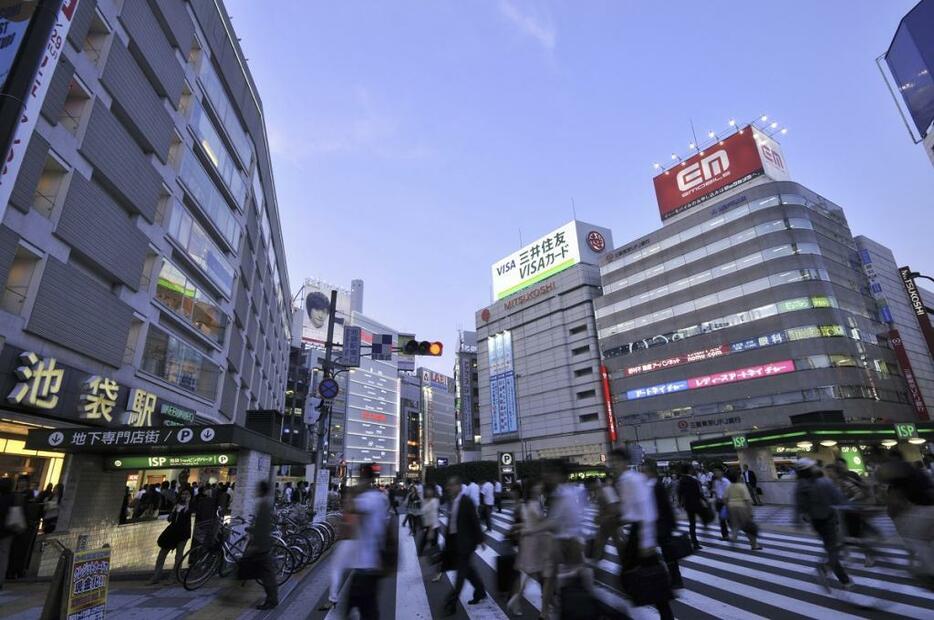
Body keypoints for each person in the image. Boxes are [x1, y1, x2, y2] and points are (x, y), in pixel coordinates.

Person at [612, 449, 672, 620]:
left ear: (624, 462)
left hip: (641, 532)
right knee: (648, 577)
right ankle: (663, 612)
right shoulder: (625, 480)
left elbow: (647, 510)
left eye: (615, 461)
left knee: (631, 576)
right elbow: (630, 511)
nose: (613, 465)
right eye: (612, 461)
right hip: (638, 532)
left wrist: (647, 540)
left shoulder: (632, 479)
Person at [794, 458, 853, 595]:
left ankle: (834, 573)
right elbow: (838, 498)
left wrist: (799, 521)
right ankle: (836, 575)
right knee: (833, 549)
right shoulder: (823, 481)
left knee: (832, 547)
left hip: (817, 522)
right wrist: (850, 507)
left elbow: (799, 507)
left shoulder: (800, 486)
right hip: (829, 518)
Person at [346, 464, 390, 620]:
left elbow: (350, 507)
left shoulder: (369, 498)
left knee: (363, 607)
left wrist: (354, 489)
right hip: (373, 561)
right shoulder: (379, 497)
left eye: (360, 476)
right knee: (368, 607)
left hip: (366, 564)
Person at [441, 475, 486, 615]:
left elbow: (474, 521)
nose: (449, 487)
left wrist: (481, 539)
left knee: (461, 573)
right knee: (468, 571)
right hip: (454, 542)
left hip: (465, 542)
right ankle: (480, 591)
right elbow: (452, 522)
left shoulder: (467, 501)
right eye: (448, 485)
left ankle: (451, 603)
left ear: (459, 487)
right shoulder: (451, 501)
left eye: (452, 485)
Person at [507, 480, 552, 616]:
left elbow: (527, 524)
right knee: (534, 574)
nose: (540, 487)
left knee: (531, 574)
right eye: (538, 486)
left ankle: (545, 605)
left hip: (529, 542)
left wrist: (518, 528)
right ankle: (517, 600)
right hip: (535, 543)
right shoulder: (533, 504)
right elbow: (540, 525)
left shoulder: (526, 504)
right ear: (533, 489)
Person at [645, 464, 683, 591]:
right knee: (663, 554)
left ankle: (675, 580)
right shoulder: (652, 485)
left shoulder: (656, 486)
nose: (642, 473)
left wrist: (672, 523)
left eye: (644, 471)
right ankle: (669, 578)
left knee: (668, 554)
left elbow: (666, 506)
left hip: (662, 525)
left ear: (650, 471)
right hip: (658, 525)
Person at [246, 481, 279, 610]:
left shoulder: (264, 505)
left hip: (262, 546)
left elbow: (262, 527)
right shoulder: (265, 504)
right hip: (263, 545)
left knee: (267, 575)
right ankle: (272, 599)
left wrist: (256, 544)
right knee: (267, 573)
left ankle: (271, 600)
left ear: (261, 490)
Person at [149, 488, 193, 584]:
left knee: (178, 556)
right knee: (162, 553)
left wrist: (188, 502)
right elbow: (170, 519)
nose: (184, 496)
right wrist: (172, 513)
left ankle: (174, 577)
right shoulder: (176, 505)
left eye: (187, 494)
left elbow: (188, 512)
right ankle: (156, 576)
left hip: (183, 533)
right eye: (183, 493)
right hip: (172, 532)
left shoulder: (190, 505)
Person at [724, 471, 762, 550]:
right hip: (742, 508)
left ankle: (733, 538)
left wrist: (728, 507)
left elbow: (725, 499)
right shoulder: (742, 486)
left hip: (731, 508)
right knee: (748, 526)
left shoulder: (728, 487)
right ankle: (754, 545)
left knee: (735, 525)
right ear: (738, 478)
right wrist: (750, 512)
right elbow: (747, 500)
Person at [587, 477, 619, 563]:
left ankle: (628, 562)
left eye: (589, 486)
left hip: (611, 520)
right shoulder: (599, 491)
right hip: (607, 521)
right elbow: (603, 507)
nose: (589, 488)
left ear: (593, 483)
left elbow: (613, 508)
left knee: (616, 542)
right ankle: (595, 560)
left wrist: (601, 517)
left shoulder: (606, 490)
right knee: (601, 541)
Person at [677, 466, 706, 550]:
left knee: (692, 523)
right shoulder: (693, 481)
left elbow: (679, 493)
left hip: (688, 504)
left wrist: (680, 503)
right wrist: (704, 500)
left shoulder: (681, 481)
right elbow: (698, 493)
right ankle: (705, 528)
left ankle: (694, 542)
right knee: (703, 517)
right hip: (696, 503)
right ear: (689, 470)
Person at [418, 486, 440, 557]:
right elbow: (423, 513)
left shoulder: (434, 501)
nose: (428, 492)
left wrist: (431, 530)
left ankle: (433, 557)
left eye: (430, 490)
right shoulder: (425, 501)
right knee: (426, 541)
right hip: (428, 525)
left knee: (431, 542)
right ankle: (428, 554)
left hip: (433, 526)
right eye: (427, 490)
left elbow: (433, 515)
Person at [711, 468, 731, 541]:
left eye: (717, 472)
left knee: (729, 519)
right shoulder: (715, 482)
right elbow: (715, 491)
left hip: (726, 502)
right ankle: (725, 535)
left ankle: (734, 532)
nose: (716, 473)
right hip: (719, 503)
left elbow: (729, 492)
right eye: (715, 472)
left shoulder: (726, 481)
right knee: (721, 519)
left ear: (721, 472)